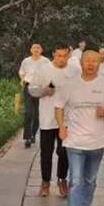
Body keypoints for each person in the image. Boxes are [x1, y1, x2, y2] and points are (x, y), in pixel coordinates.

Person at [56, 50, 104, 206]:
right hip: (74, 141)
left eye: (94, 60)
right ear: (81, 63)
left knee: (90, 180)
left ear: (100, 63)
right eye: (87, 60)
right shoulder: (70, 84)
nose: (91, 63)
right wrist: (61, 127)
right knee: (75, 180)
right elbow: (58, 106)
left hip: (97, 141)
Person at [28, 44, 75, 197]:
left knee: (64, 151)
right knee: (46, 152)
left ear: (69, 55)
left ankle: (62, 179)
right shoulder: (43, 69)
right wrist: (43, 91)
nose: (62, 59)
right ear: (53, 54)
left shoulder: (74, 70)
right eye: (59, 56)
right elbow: (31, 89)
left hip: (67, 119)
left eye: (65, 56)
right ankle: (45, 182)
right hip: (47, 118)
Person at [18, 43, 50, 148]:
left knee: (37, 113)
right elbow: (22, 72)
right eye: (34, 48)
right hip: (28, 86)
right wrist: (22, 80)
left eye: (38, 48)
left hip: (40, 88)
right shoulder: (26, 61)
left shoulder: (45, 61)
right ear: (31, 50)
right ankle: (27, 137)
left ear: (41, 50)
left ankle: (33, 134)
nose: (36, 50)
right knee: (28, 112)